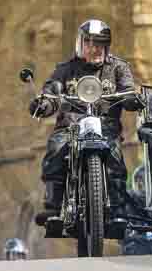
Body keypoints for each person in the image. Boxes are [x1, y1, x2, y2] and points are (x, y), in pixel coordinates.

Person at [28, 19, 141, 232]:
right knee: (56, 147)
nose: (94, 48)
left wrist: (132, 99)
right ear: (80, 45)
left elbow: (128, 89)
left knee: (116, 158)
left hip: (105, 127)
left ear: (106, 46)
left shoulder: (119, 67)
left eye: (99, 43)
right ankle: (53, 205)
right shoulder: (65, 69)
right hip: (71, 127)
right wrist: (44, 103)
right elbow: (52, 89)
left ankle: (116, 209)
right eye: (89, 43)